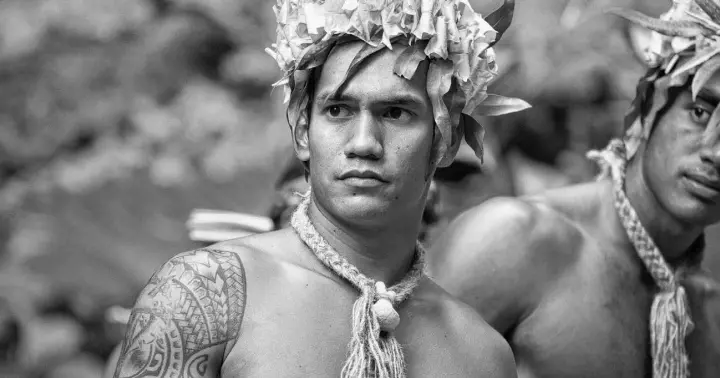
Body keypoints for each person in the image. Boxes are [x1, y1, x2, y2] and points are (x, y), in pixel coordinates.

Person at [110, 0, 530, 376]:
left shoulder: (481, 354)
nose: (364, 142)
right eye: (338, 110)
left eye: (396, 112)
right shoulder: (204, 293)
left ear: (446, 140)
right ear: (303, 131)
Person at [429, 1, 720, 377]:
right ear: (649, 104)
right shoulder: (515, 242)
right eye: (700, 112)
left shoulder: (709, 315)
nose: (716, 152)